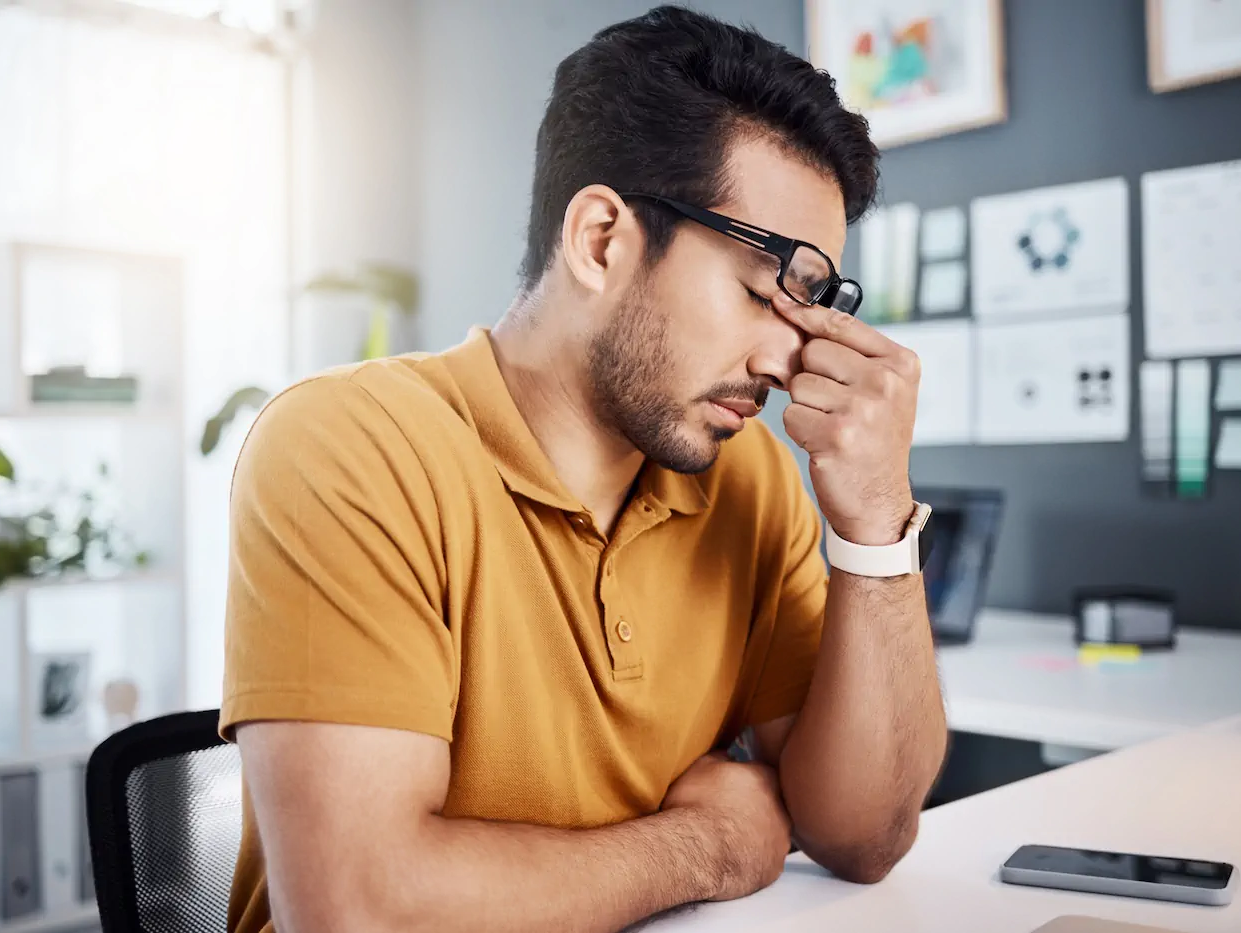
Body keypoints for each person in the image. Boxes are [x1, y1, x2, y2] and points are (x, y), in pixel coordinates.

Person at [221, 6, 947, 932]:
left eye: (812, 308)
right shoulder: (350, 448)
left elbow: (867, 836)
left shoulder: (750, 481)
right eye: (766, 292)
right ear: (601, 238)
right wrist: (708, 846)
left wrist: (877, 521)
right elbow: (360, 909)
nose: (786, 358)